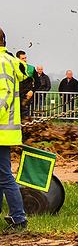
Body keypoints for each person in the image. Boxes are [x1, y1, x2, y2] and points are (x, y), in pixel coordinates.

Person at [0, 28, 29, 232]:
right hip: (6, 129)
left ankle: (19, 219)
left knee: (4, 176)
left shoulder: (1, 63)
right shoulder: (10, 61)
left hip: (1, 128)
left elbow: (5, 94)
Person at [15, 51, 39, 118]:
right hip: (15, 95)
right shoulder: (13, 68)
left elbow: (38, 82)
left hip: (26, 96)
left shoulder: (31, 69)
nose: (25, 60)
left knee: (24, 115)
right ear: (17, 58)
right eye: (23, 58)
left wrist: (32, 91)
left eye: (25, 58)